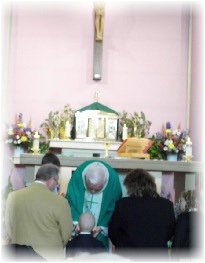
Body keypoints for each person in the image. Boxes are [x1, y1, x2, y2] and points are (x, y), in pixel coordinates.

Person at [5, 163, 73, 261]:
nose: (56, 185)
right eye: (56, 182)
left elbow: (9, 228)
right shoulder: (61, 202)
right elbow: (66, 234)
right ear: (51, 179)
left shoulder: (13, 197)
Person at [108, 168, 175, 260]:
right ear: (151, 184)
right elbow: (170, 232)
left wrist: (123, 245)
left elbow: (113, 232)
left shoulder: (123, 204)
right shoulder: (166, 205)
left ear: (130, 186)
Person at [65, 160, 122, 249]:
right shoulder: (78, 176)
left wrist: (101, 226)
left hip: (100, 233)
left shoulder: (112, 181)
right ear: (85, 179)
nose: (92, 192)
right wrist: (77, 223)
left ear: (104, 183)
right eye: (90, 188)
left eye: (97, 189)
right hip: (79, 232)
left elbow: (114, 207)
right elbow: (70, 200)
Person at [171, 190, 202, 259]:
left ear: (187, 201)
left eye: (181, 201)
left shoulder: (184, 217)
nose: (179, 203)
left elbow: (177, 242)